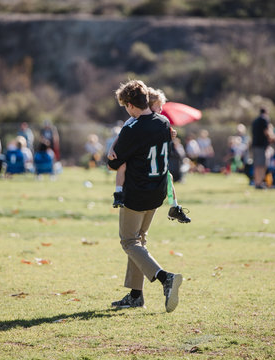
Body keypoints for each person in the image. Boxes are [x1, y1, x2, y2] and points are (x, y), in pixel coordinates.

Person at [107, 79, 183, 312]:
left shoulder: (132, 128)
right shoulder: (163, 122)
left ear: (130, 105)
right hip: (157, 191)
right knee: (139, 240)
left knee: (129, 241)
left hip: (137, 192)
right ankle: (135, 295)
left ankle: (164, 278)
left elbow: (113, 163)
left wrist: (114, 149)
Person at [108, 87, 191, 223]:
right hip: (142, 178)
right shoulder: (134, 123)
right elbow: (121, 137)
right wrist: (111, 148)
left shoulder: (160, 122)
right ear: (148, 105)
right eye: (158, 106)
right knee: (122, 166)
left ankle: (174, 206)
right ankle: (118, 193)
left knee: (168, 176)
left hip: (152, 177)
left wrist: (170, 134)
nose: (160, 110)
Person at [251, 107, 275, 189]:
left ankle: (257, 182)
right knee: (262, 165)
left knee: (257, 165)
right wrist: (272, 137)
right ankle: (259, 183)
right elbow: (266, 131)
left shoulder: (255, 121)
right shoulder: (265, 119)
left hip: (255, 145)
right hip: (261, 146)